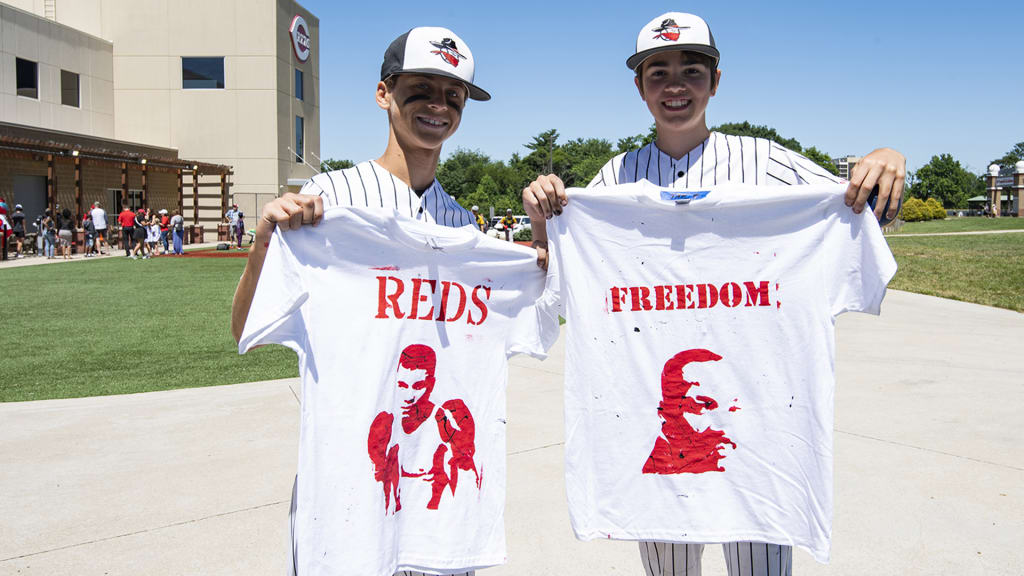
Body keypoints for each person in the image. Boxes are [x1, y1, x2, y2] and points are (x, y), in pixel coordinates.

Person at [522, 12, 906, 576]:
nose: (675, 85)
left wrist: (888, 162)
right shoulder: (608, 185)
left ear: (716, 80)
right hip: (656, 434)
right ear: (639, 87)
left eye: (691, 70)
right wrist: (542, 224)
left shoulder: (770, 165)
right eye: (659, 72)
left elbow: (863, 210)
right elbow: (555, 283)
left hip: (759, 433)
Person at [231, 26, 490, 576]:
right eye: (421, 89)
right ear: (384, 93)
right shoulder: (328, 204)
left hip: (438, 503)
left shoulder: (464, 226)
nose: (438, 107)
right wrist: (264, 242)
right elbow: (245, 331)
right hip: (348, 486)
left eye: (453, 96)